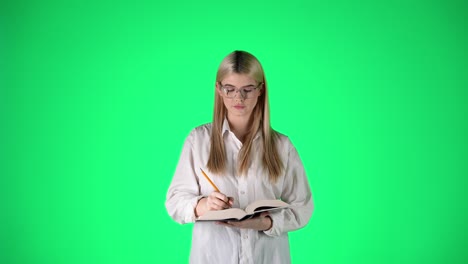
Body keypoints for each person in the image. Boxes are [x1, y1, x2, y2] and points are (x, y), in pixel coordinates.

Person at [165, 50, 313, 264]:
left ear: (260, 90)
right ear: (219, 89)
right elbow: (175, 202)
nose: (239, 98)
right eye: (230, 89)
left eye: (247, 89)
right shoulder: (198, 141)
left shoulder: (282, 146)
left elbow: (303, 206)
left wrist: (267, 223)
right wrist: (203, 205)